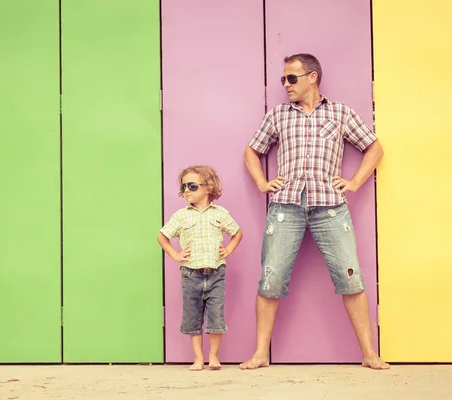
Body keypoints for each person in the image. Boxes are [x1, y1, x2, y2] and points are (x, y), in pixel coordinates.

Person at [239, 53, 389, 370]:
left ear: (312, 77)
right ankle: (260, 353)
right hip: (285, 207)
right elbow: (252, 150)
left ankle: (369, 353)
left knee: (351, 277)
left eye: (291, 78)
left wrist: (356, 182)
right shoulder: (279, 115)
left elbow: (374, 147)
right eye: (283, 79)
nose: (285, 84)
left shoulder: (340, 113)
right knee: (271, 278)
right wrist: (262, 182)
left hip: (331, 207)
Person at [158, 165, 243, 371]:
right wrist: (176, 255)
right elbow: (162, 236)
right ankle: (198, 358)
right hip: (190, 275)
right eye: (183, 187)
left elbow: (237, 233)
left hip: (216, 274)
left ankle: (213, 356)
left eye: (192, 185)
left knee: (216, 316)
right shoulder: (181, 216)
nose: (186, 190)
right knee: (192, 317)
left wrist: (229, 250)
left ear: (208, 187)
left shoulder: (220, 213)